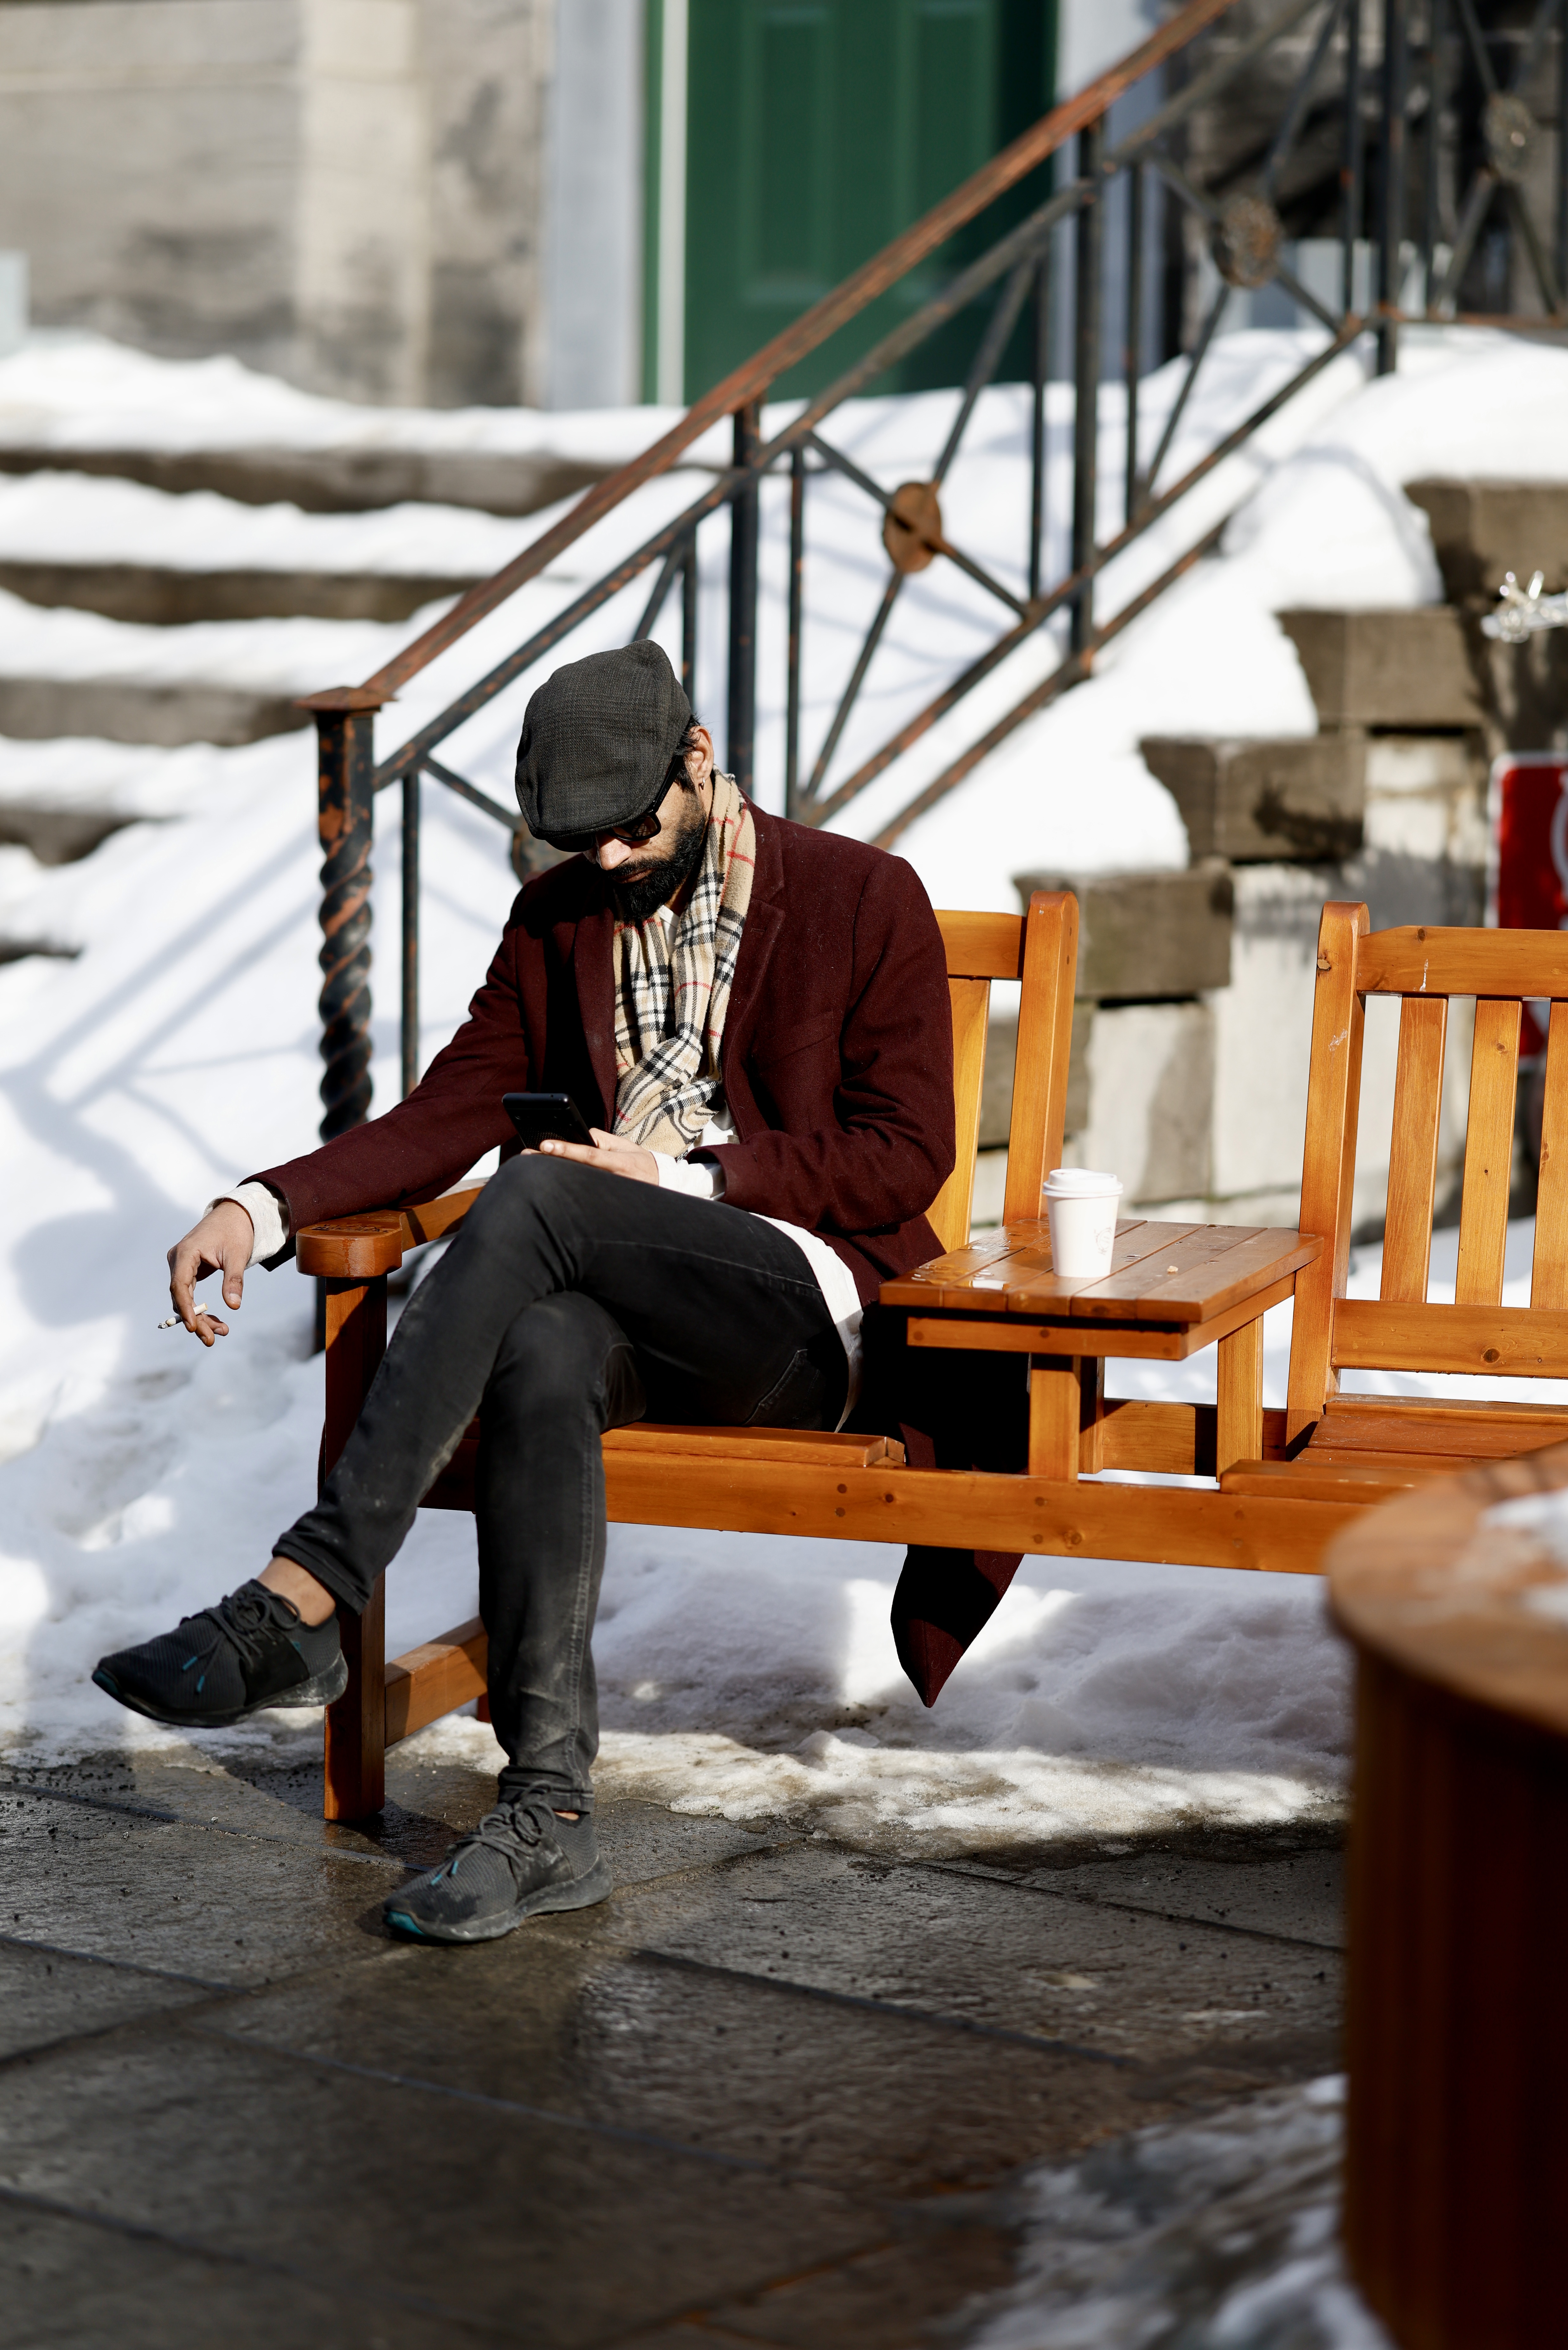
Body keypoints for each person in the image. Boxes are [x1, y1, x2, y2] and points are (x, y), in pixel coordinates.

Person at [93, 640, 955, 1945]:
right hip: (621, 1315)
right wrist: (258, 1206)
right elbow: (448, 1112)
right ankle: (548, 1817)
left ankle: (306, 1594)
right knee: (544, 1343)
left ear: (698, 761)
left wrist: (687, 1175)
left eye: (625, 831)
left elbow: (907, 1151)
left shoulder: (860, 894)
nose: (603, 862)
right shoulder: (559, 922)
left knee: (540, 1190)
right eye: (577, 841)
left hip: (796, 1313)